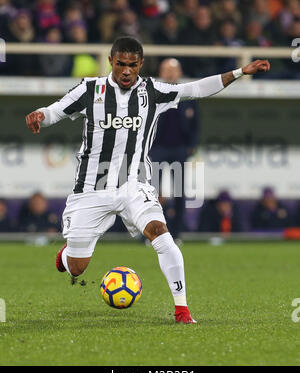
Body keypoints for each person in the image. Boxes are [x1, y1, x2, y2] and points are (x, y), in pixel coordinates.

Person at [25, 36, 270, 324]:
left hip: (134, 184)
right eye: (120, 65)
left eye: (132, 65)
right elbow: (57, 110)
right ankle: (67, 255)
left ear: (140, 64)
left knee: (160, 233)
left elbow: (196, 89)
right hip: (91, 189)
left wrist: (240, 72)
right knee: (77, 268)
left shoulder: (152, 91)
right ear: (110, 62)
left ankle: (182, 310)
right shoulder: (90, 89)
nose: (126, 71)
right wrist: (41, 114)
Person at [150, 58, 200, 241]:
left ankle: (176, 234)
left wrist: (191, 146)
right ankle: (151, 235)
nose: (170, 73)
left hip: (179, 150)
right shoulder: (153, 94)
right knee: (151, 194)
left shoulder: (188, 95)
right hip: (158, 149)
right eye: (166, 70)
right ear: (161, 72)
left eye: (173, 70)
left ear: (179, 73)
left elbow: (196, 124)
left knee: (179, 193)